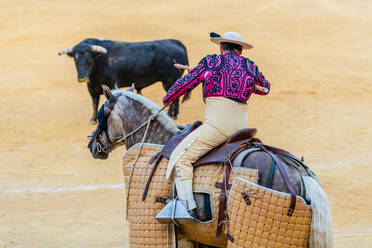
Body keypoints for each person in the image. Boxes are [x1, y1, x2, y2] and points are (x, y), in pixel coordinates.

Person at [162, 32, 271, 218]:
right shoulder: (250, 66)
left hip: (218, 128)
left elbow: (185, 84)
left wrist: (167, 98)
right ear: (241, 51)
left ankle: (186, 208)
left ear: (221, 49)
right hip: (242, 130)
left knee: (181, 159)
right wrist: (248, 84)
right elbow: (266, 88)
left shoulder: (212, 63)